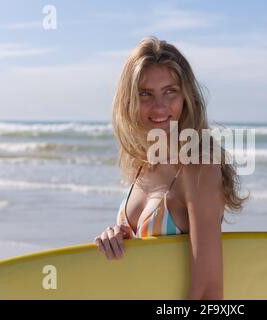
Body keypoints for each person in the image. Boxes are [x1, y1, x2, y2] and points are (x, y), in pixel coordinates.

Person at [94, 36, 248, 300]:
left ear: (186, 96)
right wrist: (117, 237)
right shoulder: (142, 162)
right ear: (129, 100)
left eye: (170, 91)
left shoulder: (198, 166)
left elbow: (209, 292)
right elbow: (148, 264)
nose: (159, 107)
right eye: (145, 94)